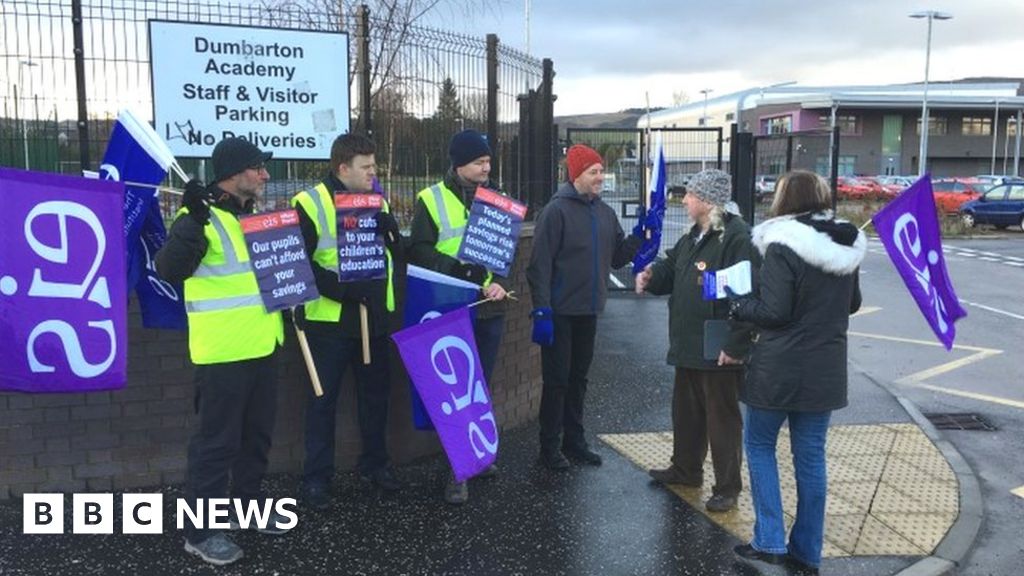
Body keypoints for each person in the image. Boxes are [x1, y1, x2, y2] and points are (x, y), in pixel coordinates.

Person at [155, 137, 291, 566]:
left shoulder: (251, 218)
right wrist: (194, 219)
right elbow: (170, 269)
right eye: (258, 168)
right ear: (234, 174)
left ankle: (247, 511)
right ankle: (200, 532)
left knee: (256, 439)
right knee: (216, 447)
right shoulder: (197, 216)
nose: (266, 175)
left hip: (263, 346)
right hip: (222, 354)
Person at [727, 170, 864, 575]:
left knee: (759, 446)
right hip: (825, 369)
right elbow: (852, 303)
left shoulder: (782, 244)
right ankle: (807, 549)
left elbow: (774, 311)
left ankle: (769, 541)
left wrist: (739, 305)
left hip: (779, 369)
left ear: (785, 200)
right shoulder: (845, 243)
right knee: (810, 457)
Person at [291, 133, 404, 510]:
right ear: (343, 168)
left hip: (372, 319)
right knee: (323, 403)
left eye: (375, 166)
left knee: (375, 398)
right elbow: (299, 264)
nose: (374, 173)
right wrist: (341, 290)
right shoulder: (308, 203)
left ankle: (375, 464)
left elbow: (391, 258)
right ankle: (317, 479)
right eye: (366, 167)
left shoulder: (376, 200)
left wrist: (393, 236)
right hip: (329, 324)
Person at [635, 168, 757, 513]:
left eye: (689, 195)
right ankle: (686, 469)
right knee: (686, 413)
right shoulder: (695, 235)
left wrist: (736, 345)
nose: (684, 200)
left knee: (722, 419)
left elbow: (747, 293)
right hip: (688, 342)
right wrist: (651, 275)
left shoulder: (736, 237)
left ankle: (728, 487)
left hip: (717, 344)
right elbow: (672, 267)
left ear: (706, 201)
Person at [527, 144, 642, 471]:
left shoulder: (604, 212)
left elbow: (618, 257)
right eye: (593, 172)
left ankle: (573, 441)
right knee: (557, 381)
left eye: (601, 171)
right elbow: (539, 265)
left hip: (588, 311)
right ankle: (549, 447)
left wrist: (638, 237)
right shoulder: (556, 211)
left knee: (579, 379)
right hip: (560, 312)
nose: (600, 177)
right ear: (576, 175)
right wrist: (542, 310)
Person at [408, 128, 507, 504]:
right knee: (455, 392)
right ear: (460, 163)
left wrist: (498, 281)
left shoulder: (497, 201)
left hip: (489, 308)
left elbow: (504, 252)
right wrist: (458, 270)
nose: (487, 168)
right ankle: (458, 469)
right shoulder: (430, 200)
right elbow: (417, 250)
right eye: (480, 162)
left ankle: (476, 453)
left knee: (479, 387)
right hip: (449, 309)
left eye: (488, 161)